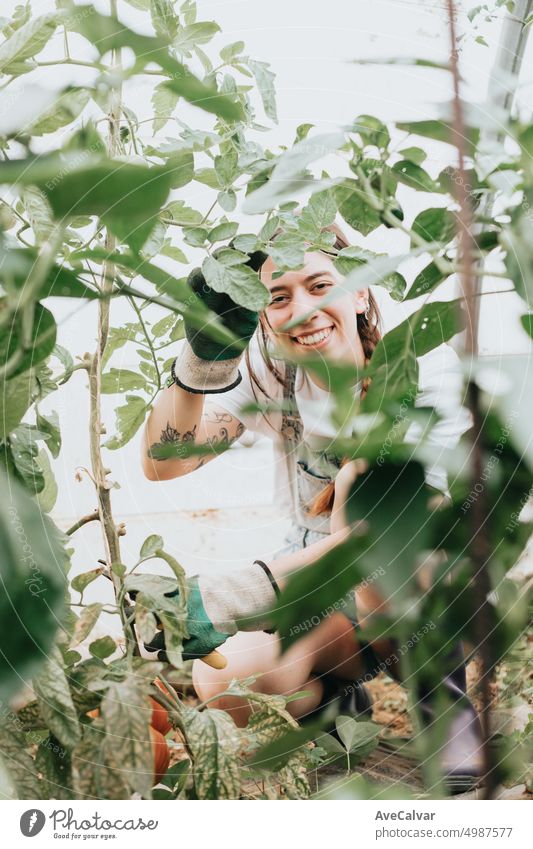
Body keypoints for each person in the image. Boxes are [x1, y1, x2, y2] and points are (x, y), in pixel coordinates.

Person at [141, 222, 482, 791]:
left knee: (364, 480)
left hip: (415, 583)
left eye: (319, 285)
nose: (302, 310)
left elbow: (385, 536)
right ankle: (338, 704)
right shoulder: (272, 376)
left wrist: (227, 595)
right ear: (264, 315)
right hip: (317, 584)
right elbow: (164, 462)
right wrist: (199, 364)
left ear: (361, 291)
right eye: (278, 296)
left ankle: (444, 709)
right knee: (233, 685)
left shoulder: (422, 369)